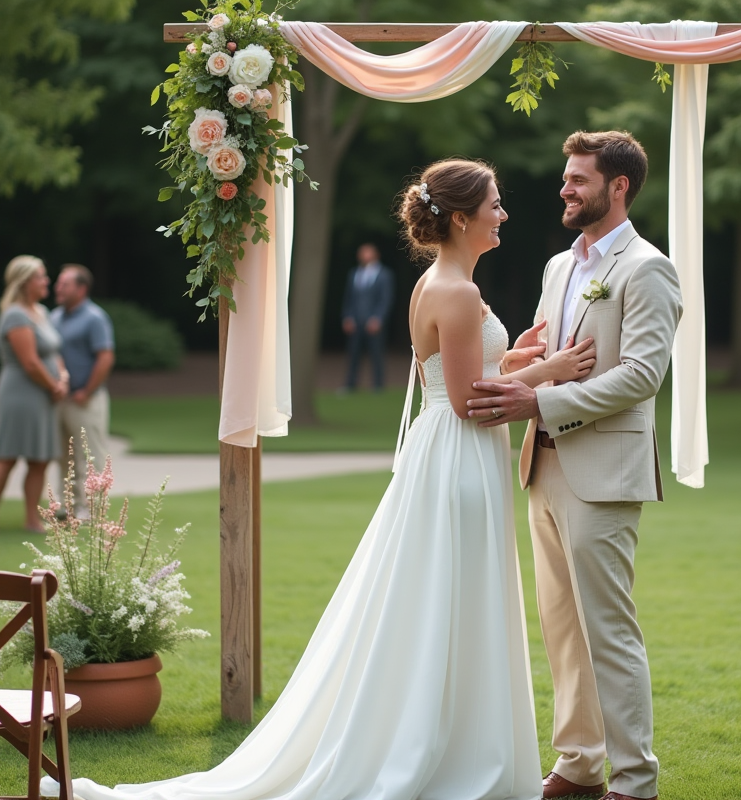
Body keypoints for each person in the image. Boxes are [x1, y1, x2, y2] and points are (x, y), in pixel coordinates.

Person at [46, 158, 596, 800]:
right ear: (460, 216)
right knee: (453, 597)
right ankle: (448, 749)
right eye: (495, 205)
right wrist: (548, 369)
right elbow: (471, 399)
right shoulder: (459, 291)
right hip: (460, 455)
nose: (503, 214)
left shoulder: (433, 283)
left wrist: (513, 357)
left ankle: (450, 737)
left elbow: (460, 373)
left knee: (442, 598)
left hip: (447, 451)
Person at [467, 130, 683, 800]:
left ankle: (636, 779)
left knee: (608, 631)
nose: (565, 188)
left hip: (604, 472)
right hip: (544, 464)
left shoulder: (648, 268)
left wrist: (540, 399)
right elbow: (549, 354)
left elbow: (642, 376)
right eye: (566, 178)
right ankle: (581, 762)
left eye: (578, 179)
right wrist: (522, 368)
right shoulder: (562, 266)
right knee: (561, 626)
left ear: (618, 188)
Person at [0, 256, 67, 535]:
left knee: (39, 458)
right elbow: (30, 362)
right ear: (24, 282)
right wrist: (53, 386)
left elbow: (52, 351)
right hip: (21, 392)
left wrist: (62, 377)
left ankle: (31, 518)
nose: (47, 281)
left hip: (44, 394)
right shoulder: (15, 315)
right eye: (41, 276)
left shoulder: (40, 311)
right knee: (8, 456)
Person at [51, 263, 115, 518]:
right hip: (60, 398)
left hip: (85, 399)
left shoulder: (94, 317)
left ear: (81, 288)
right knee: (63, 456)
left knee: (89, 456)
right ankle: (66, 505)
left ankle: (91, 508)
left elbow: (105, 357)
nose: (58, 288)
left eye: (64, 284)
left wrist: (87, 391)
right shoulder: (53, 317)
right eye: (58, 283)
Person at [341, 243, 395, 391]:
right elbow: (349, 298)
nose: (365, 256)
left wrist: (378, 318)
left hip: (374, 322)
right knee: (353, 355)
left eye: (368, 253)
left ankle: (378, 386)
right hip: (356, 321)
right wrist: (347, 316)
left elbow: (386, 299)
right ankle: (350, 385)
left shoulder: (385, 275)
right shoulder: (354, 273)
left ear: (376, 255)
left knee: (376, 354)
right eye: (363, 253)